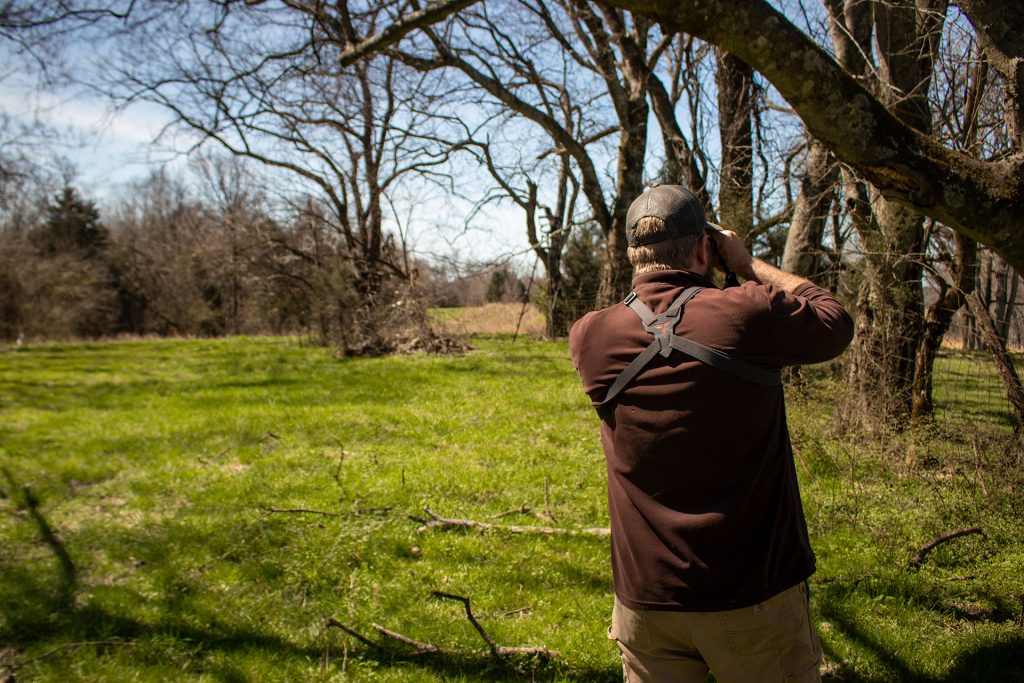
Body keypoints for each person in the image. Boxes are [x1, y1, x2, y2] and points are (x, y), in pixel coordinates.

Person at [568, 185, 854, 683]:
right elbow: (833, 319)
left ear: (634, 255)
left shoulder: (590, 336)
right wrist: (747, 264)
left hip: (645, 599)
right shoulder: (748, 311)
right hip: (751, 593)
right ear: (705, 248)